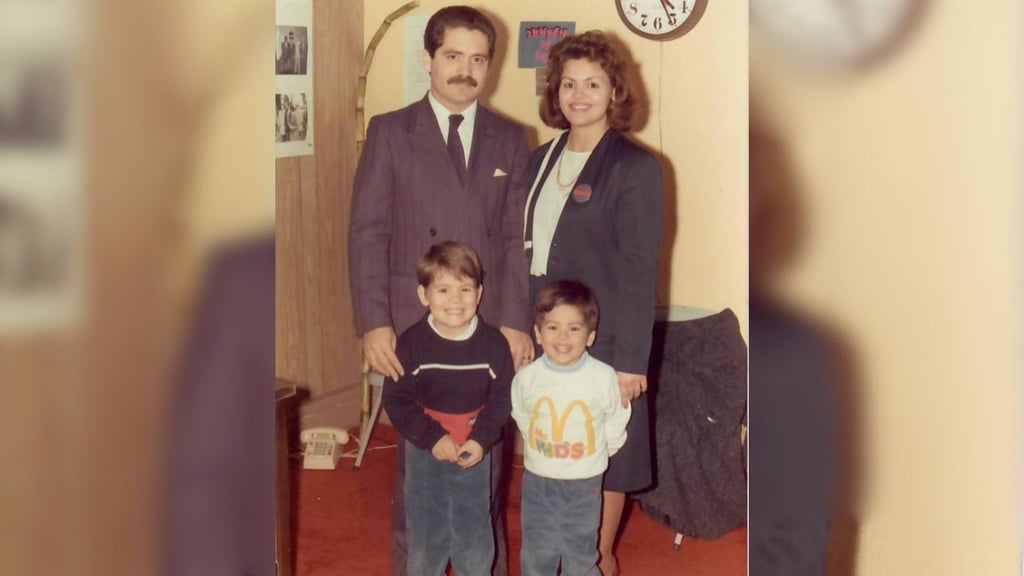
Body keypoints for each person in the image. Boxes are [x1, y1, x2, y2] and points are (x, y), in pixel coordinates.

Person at [348, 6, 534, 575]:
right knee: (417, 471)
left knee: (487, 464)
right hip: (413, 325)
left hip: (485, 327)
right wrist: (374, 321)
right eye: (453, 56)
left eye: (479, 59)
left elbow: (514, 239)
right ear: (428, 59)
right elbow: (368, 229)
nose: (465, 70)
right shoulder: (389, 130)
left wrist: (516, 321)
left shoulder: (511, 137)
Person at [524, 30, 664, 576]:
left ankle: (598, 560)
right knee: (558, 452)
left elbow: (639, 270)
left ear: (614, 91)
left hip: (604, 345)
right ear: (555, 91)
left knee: (605, 461)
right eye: (568, 82)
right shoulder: (539, 159)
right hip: (549, 341)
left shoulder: (636, 166)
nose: (578, 93)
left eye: (593, 83)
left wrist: (630, 360)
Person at [382, 241, 515, 575]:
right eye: (443, 289)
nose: (455, 300)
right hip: (425, 450)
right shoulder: (410, 343)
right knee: (427, 532)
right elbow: (396, 400)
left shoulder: (494, 344)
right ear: (423, 295)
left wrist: (481, 439)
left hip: (475, 448)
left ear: (479, 293)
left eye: (465, 289)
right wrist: (431, 438)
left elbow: (502, 398)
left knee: (474, 532)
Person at [511, 280, 631, 576]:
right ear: (538, 333)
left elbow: (616, 418)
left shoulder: (603, 378)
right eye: (552, 327)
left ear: (590, 336)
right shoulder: (527, 378)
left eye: (574, 329)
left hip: (584, 484)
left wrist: (599, 451)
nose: (562, 337)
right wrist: (539, 448)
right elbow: (523, 415)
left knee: (580, 552)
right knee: (537, 552)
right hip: (539, 482)